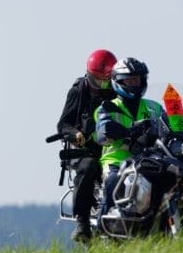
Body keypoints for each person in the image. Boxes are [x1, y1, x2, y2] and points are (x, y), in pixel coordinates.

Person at [95, 57, 166, 222]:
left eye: (137, 79)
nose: (135, 83)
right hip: (117, 161)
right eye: (130, 80)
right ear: (118, 82)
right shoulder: (107, 107)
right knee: (112, 182)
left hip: (148, 159)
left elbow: (168, 124)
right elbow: (102, 133)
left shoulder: (154, 107)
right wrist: (121, 131)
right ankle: (101, 226)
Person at [57, 49, 117, 242]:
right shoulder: (78, 91)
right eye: (96, 79)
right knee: (88, 167)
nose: (100, 85)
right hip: (88, 149)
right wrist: (75, 134)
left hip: (116, 148)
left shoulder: (120, 92)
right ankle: (82, 223)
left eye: (105, 80)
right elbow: (63, 124)